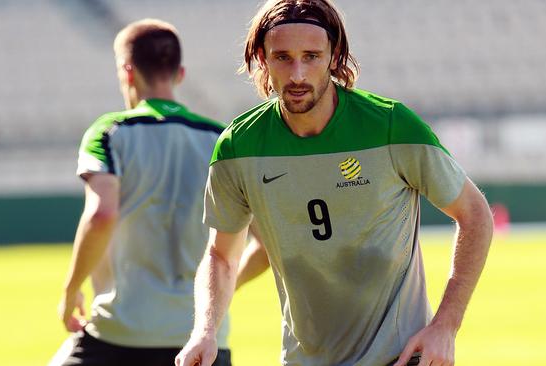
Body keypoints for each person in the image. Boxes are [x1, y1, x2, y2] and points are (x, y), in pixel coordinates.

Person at [176, 1, 494, 365]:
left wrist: (446, 326)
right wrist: (204, 330)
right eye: (283, 57)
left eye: (311, 56)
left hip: (400, 358)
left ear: (334, 56)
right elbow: (221, 255)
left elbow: (475, 214)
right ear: (262, 59)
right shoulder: (238, 147)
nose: (297, 74)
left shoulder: (391, 126)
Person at [51, 18, 235, 366]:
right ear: (180, 74)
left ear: (127, 71)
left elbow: (102, 214)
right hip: (203, 337)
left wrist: (70, 290)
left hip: (120, 334)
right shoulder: (221, 140)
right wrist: (217, 291)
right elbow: (261, 244)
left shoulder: (109, 131)